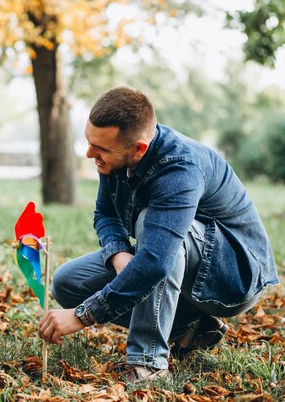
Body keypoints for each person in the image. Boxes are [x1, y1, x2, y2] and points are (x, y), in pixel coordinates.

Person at [38, 86, 278, 383]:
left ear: (139, 148)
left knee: (150, 224)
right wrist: (118, 254)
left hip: (233, 278)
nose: (89, 154)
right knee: (68, 283)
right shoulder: (115, 152)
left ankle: (148, 364)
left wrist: (82, 315)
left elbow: (156, 261)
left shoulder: (179, 169)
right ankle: (190, 329)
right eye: (89, 142)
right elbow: (106, 214)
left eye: (99, 149)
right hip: (175, 259)